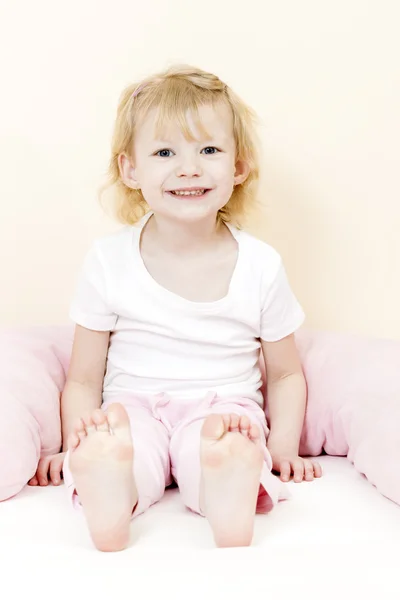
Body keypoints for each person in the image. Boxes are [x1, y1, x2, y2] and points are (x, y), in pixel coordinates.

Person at [29, 64, 322, 551]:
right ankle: (108, 492)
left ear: (239, 166)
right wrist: (73, 444)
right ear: (131, 169)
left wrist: (282, 448)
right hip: (132, 412)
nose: (189, 168)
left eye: (209, 150)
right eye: (164, 152)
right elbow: (82, 378)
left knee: (219, 449)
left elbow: (287, 374)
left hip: (222, 412)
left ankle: (228, 491)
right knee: (125, 453)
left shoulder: (260, 265)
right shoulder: (109, 260)